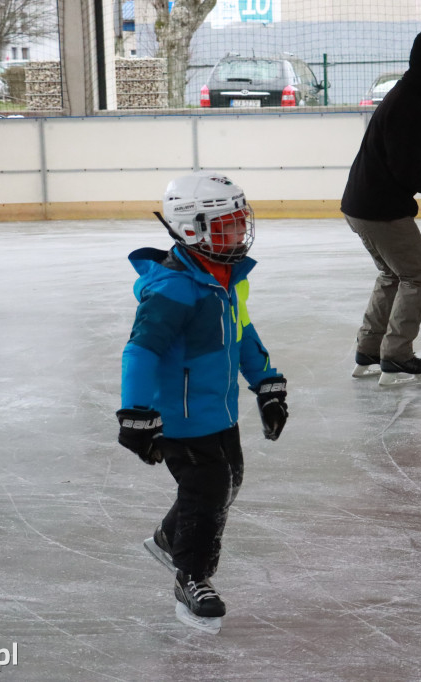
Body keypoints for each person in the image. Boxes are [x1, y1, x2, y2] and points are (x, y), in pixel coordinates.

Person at [117, 172, 288, 634]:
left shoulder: (227, 278)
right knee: (208, 492)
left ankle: (169, 537)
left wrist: (267, 383)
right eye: (227, 225)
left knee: (228, 481)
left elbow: (242, 333)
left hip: (219, 410)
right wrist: (135, 412)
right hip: (178, 417)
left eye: (239, 221)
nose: (239, 232)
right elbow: (141, 349)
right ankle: (192, 579)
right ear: (192, 229)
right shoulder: (173, 289)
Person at [340, 31, 421, 387]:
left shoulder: (408, 97)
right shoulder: (408, 104)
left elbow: (403, 164)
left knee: (393, 275)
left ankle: (368, 350)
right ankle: (396, 357)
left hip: (362, 204)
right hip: (379, 209)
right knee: (417, 275)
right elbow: (406, 168)